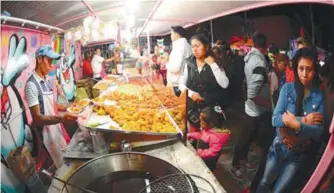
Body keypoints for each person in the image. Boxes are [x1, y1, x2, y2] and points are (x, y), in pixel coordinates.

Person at [256, 48, 324, 193]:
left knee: (279, 191)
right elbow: (275, 119)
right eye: (301, 68)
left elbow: (318, 132)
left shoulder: (318, 96)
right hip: (279, 147)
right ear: (295, 68)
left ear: (315, 70)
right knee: (265, 182)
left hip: (298, 154)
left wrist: (296, 125)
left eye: (309, 69)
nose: (305, 74)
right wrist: (303, 120)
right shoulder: (287, 89)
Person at [24, 45, 79, 168]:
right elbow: (37, 117)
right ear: (39, 59)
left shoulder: (46, 80)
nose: (51, 65)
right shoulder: (31, 85)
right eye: (49, 61)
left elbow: (51, 106)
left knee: (65, 163)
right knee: (55, 167)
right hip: (45, 135)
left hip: (56, 130)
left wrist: (68, 106)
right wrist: (62, 117)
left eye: (52, 62)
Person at [231, 32, 273, 181]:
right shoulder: (260, 62)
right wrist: (270, 105)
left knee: (248, 136)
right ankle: (236, 164)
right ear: (266, 46)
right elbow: (253, 93)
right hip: (255, 108)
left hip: (253, 107)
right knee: (245, 137)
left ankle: (242, 161)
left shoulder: (250, 59)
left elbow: (246, 83)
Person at [179, 34, 229, 129]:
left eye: (198, 46)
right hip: (193, 108)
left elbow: (225, 84)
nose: (194, 49)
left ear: (206, 47)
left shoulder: (215, 62)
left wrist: (213, 65)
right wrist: (191, 93)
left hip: (211, 110)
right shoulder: (189, 63)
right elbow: (181, 84)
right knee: (195, 135)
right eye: (192, 47)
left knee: (210, 136)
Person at [187, 106, 230, 171]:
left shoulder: (217, 138)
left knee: (206, 169)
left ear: (211, 123)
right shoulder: (208, 129)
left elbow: (213, 152)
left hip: (208, 160)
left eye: (202, 122)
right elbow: (202, 135)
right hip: (202, 153)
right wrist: (191, 135)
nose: (200, 123)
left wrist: (200, 153)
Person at [167, 26, 192, 97]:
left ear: (177, 35)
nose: (170, 36)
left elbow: (175, 68)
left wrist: (166, 63)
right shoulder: (187, 45)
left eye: (171, 34)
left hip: (177, 84)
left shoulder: (179, 47)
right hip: (185, 82)